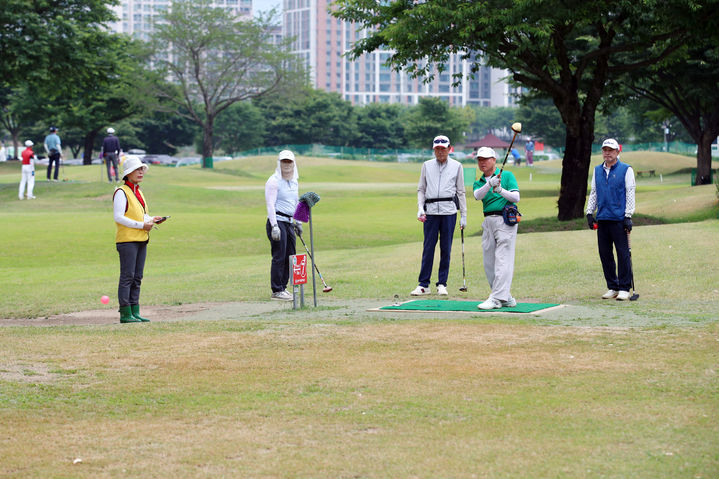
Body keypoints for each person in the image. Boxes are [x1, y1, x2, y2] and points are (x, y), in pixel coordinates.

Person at [411, 135, 467, 296]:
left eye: (443, 149)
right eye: (437, 149)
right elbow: (421, 189)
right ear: (434, 150)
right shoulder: (427, 165)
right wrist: (420, 207)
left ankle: (442, 283)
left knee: (445, 248)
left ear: (449, 149)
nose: (440, 152)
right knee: (428, 247)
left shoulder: (457, 166)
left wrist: (464, 215)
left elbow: (461, 192)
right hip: (430, 211)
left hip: (449, 211)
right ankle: (423, 284)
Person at [112, 155, 165, 323]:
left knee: (137, 277)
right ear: (128, 173)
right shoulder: (121, 191)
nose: (141, 172)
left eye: (142, 169)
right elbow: (119, 217)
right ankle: (125, 313)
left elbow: (140, 214)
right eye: (137, 169)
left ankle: (135, 310)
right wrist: (141, 225)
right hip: (127, 240)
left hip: (141, 238)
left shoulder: (138, 191)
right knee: (127, 276)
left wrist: (150, 219)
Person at [586, 138, 636, 301]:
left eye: (610, 150)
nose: (607, 153)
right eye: (605, 150)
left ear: (617, 152)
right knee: (605, 254)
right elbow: (594, 193)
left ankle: (624, 287)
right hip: (603, 218)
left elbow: (630, 193)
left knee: (622, 254)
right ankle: (612, 286)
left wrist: (628, 215)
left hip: (619, 219)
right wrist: (589, 212)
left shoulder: (626, 170)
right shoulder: (597, 170)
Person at [472, 147, 520, 309]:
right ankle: (504, 296)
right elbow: (478, 195)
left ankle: (496, 298)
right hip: (488, 221)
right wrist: (489, 184)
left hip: (505, 219)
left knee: (502, 259)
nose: (482, 162)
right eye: (480, 159)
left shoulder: (507, 175)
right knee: (489, 263)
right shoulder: (479, 181)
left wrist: (500, 190)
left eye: (486, 159)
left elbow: (516, 197)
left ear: (494, 160)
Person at [265, 150, 303, 301]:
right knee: (279, 256)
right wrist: (274, 226)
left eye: (289, 162)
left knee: (290, 256)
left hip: (289, 222)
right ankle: (277, 289)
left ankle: (284, 287)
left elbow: (296, 202)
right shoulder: (273, 181)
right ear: (279, 163)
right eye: (284, 162)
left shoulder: (294, 181)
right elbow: (270, 205)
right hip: (277, 221)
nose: (286, 165)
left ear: (293, 163)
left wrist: (298, 222)